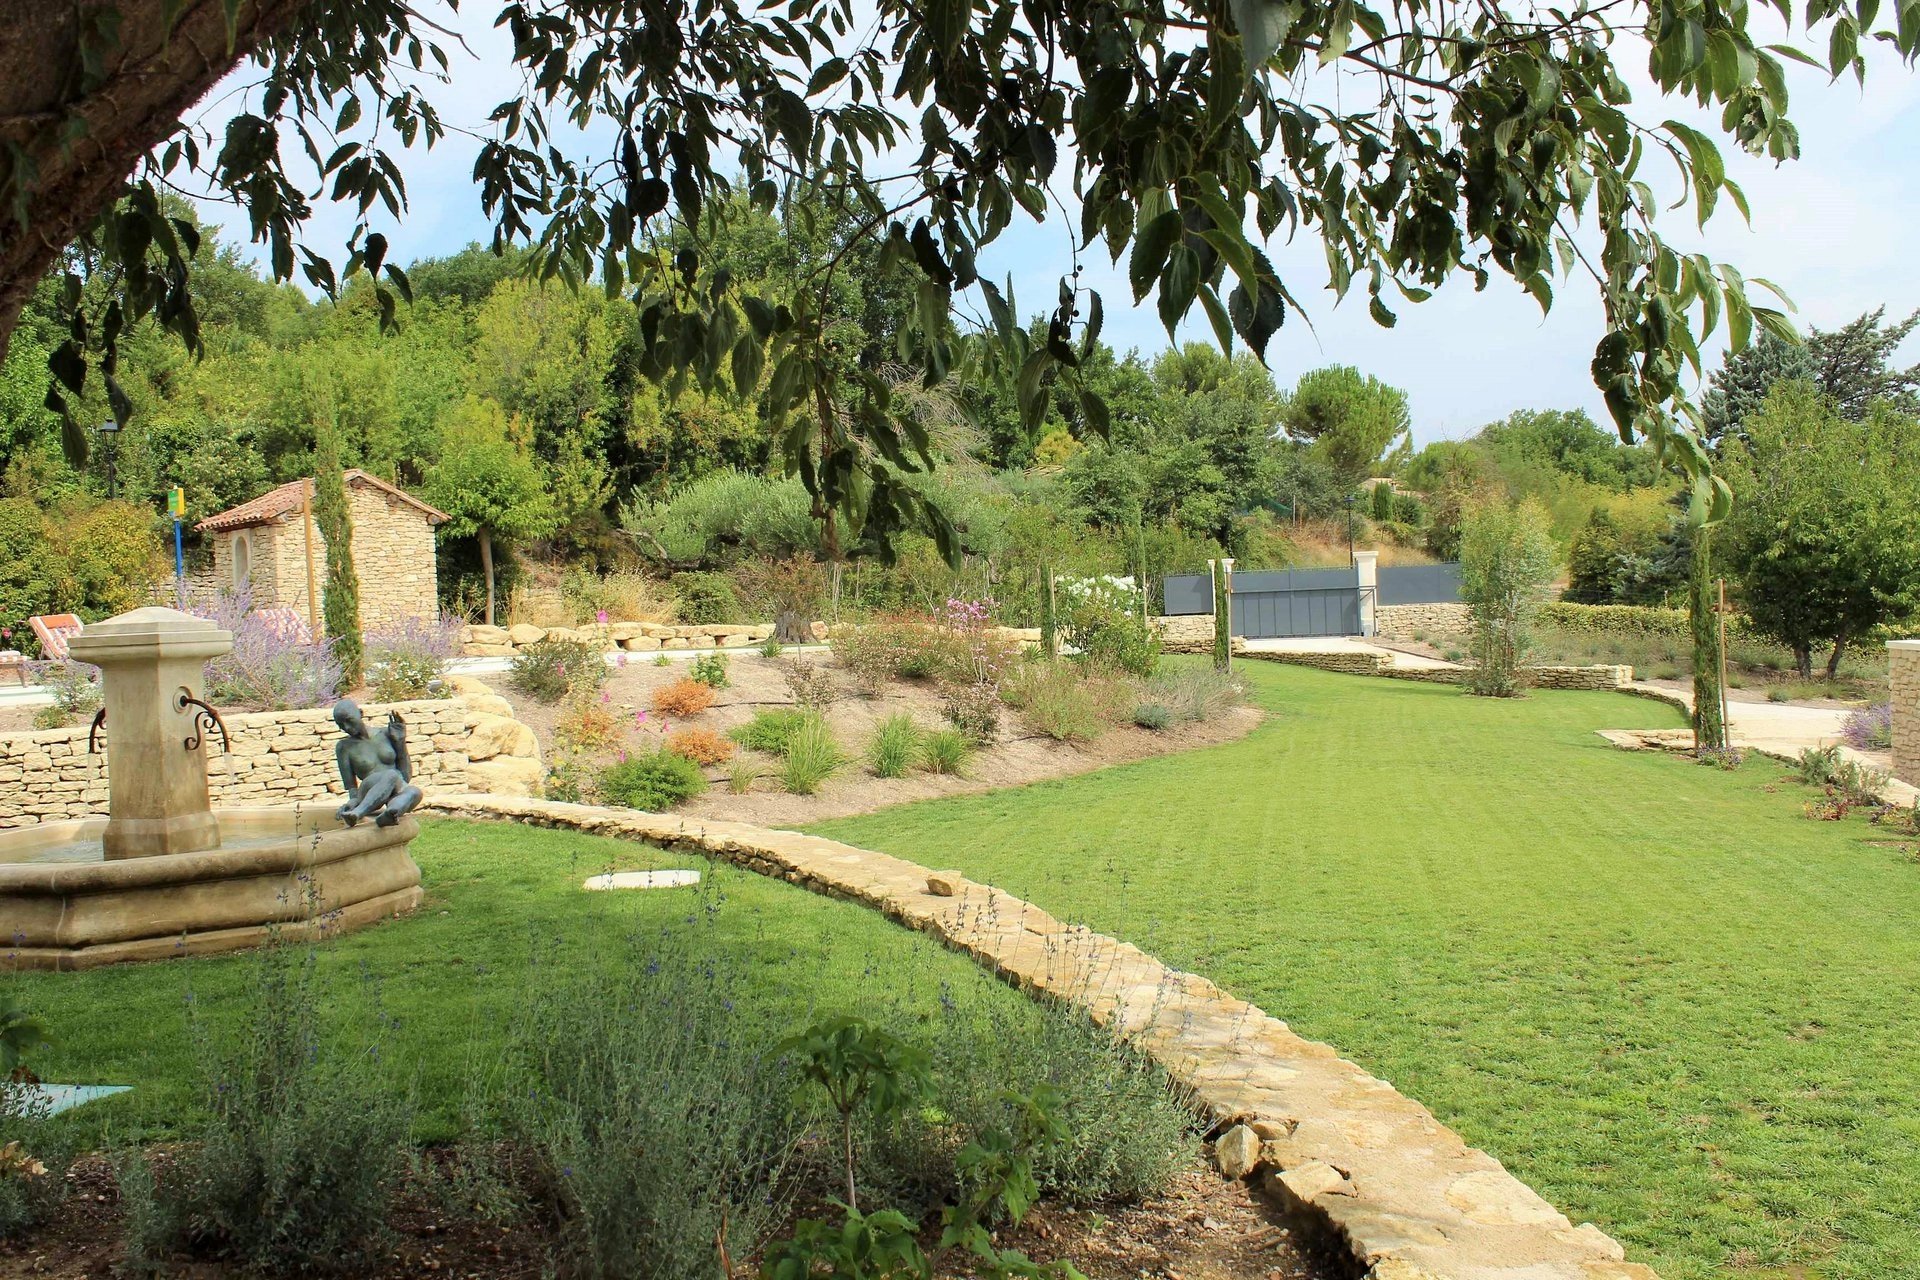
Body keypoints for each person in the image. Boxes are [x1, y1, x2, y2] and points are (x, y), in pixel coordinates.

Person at [332, 699, 422, 827]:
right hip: (368, 789)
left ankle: (390, 814)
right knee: (391, 774)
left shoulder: (386, 734)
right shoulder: (344, 747)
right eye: (340, 724)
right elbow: (352, 787)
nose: (346, 727)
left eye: (349, 720)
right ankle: (358, 813)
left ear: (360, 713)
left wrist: (400, 742)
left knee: (414, 792)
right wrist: (353, 801)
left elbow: (405, 777)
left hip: (395, 786)